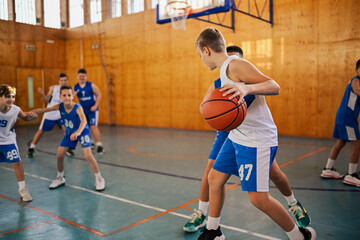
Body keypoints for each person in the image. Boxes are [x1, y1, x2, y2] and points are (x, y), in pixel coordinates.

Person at [195, 28, 315, 240]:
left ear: (206, 50)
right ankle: (213, 231)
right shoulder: (223, 73)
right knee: (214, 178)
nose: (202, 59)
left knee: (258, 199)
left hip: (257, 139)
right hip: (237, 135)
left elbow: (274, 85)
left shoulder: (236, 65)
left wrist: (246, 90)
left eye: (200, 55)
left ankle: (300, 236)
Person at [32, 85, 105, 191]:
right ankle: (60, 177)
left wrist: (78, 132)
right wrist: (29, 113)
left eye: (69, 95)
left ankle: (99, 178)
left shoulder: (77, 107)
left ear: (72, 96)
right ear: (60, 97)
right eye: (64, 95)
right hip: (70, 133)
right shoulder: (59, 106)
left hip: (82, 131)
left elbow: (84, 120)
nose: (67, 97)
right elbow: (44, 110)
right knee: (59, 155)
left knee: (88, 155)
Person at [321, 59, 360, 187]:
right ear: (356, 70)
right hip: (347, 116)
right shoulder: (356, 80)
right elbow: (358, 91)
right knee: (358, 143)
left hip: (345, 115)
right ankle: (351, 175)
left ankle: (328, 169)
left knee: (341, 142)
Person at [0, 84, 38, 201]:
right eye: (7, 96)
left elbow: (26, 118)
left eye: (13, 96)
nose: (11, 99)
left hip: (8, 141)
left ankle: (23, 189)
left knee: (17, 163)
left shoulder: (15, 109)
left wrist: (32, 117)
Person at [27, 73, 75, 157]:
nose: (63, 82)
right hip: (50, 113)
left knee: (66, 129)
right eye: (61, 80)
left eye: (65, 80)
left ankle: (68, 148)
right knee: (41, 131)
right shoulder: (54, 88)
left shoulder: (68, 89)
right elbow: (46, 99)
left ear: (67, 81)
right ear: (58, 81)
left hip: (61, 114)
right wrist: (42, 93)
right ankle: (31, 148)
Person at [74, 69, 104, 154]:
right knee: (84, 127)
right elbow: (69, 98)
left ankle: (99, 145)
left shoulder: (91, 85)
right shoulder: (75, 87)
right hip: (83, 111)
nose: (82, 77)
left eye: (83, 76)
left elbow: (99, 95)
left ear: (86, 77)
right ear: (77, 77)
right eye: (80, 76)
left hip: (92, 110)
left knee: (93, 126)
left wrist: (95, 105)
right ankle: (90, 142)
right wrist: (73, 95)